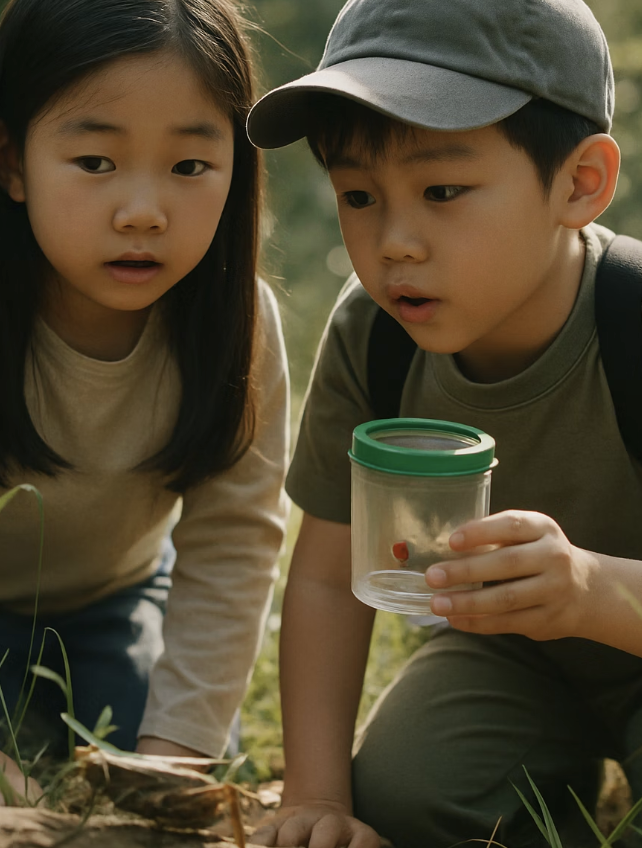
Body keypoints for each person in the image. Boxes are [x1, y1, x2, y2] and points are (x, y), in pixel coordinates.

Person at [246, 1, 642, 846]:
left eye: (442, 190)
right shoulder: (374, 336)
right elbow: (321, 579)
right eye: (358, 195)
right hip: (514, 658)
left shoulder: (635, 322)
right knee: (405, 792)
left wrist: (588, 591)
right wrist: (317, 796)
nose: (394, 242)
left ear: (580, 183)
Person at [0, 0, 289, 806]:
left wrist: (173, 754)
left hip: (121, 599)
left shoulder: (239, 324)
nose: (142, 210)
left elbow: (232, 547)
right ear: (11, 161)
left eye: (189, 167)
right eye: (96, 162)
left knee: (166, 763)